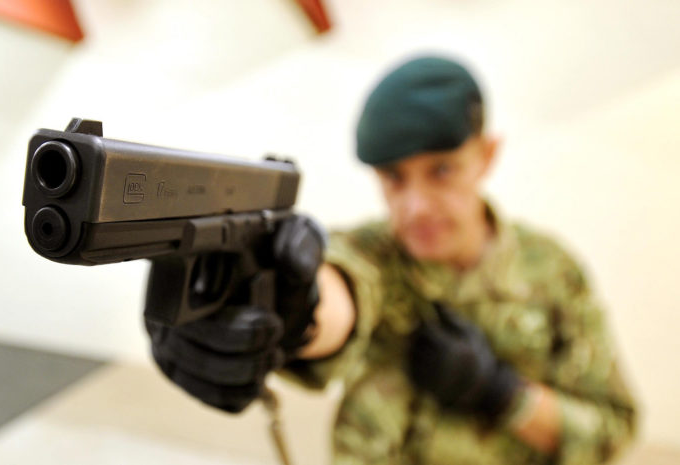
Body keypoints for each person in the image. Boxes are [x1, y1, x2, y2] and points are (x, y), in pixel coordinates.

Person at [146, 55, 637, 464]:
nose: (416, 206)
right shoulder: (373, 253)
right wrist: (286, 304)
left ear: (486, 156)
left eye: (442, 170)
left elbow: (612, 429)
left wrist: (501, 393)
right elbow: (336, 290)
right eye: (394, 179)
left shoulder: (552, 271)